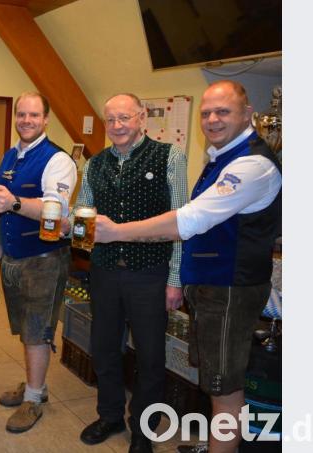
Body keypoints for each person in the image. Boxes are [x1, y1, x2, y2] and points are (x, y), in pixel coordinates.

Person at [93, 81, 281, 453]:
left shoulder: (250, 164)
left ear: (247, 115)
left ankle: (163, 436)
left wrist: (117, 232)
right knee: (218, 384)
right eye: (207, 112)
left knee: (223, 389)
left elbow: (187, 221)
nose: (212, 119)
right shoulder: (220, 158)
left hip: (227, 288)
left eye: (223, 111)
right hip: (209, 289)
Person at [72, 93, 188, 453]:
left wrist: (175, 278)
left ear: (141, 118)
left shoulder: (170, 156)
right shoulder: (95, 164)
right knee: (104, 348)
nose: (118, 126)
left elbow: (181, 222)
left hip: (150, 273)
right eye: (112, 120)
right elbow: (82, 209)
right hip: (105, 271)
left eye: (125, 117)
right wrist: (73, 225)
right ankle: (109, 416)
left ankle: (143, 430)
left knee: (150, 357)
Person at [0, 92, 77, 433]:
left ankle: (35, 398)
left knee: (37, 333)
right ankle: (33, 385)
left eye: (34, 115)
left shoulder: (58, 160)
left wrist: (14, 203)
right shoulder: (12, 154)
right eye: (21, 114)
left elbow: (55, 210)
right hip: (13, 258)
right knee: (26, 330)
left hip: (43, 260)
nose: (26, 120)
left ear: (46, 120)